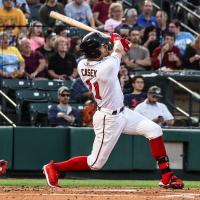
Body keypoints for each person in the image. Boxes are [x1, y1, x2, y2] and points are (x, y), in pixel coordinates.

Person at [43, 32, 184, 189]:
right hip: (108, 119)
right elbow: (117, 51)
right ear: (95, 52)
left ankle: (167, 177)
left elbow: (115, 51)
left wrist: (114, 41)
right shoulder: (107, 67)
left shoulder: (83, 64)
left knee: (154, 130)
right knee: (95, 163)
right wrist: (117, 40)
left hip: (122, 112)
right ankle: (54, 167)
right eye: (102, 47)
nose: (105, 48)